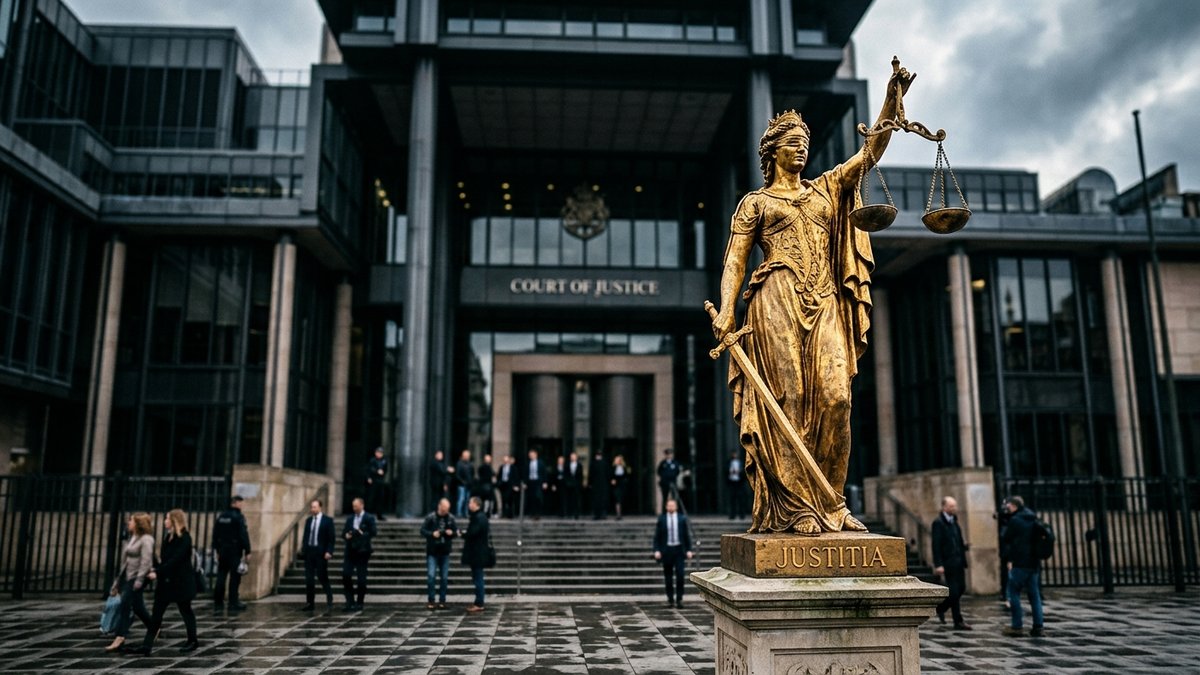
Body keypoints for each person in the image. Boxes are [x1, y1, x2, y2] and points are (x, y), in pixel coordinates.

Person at [709, 64, 917, 534]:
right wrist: (726, 309)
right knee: (790, 400)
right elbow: (734, 264)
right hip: (775, 297)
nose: (801, 147)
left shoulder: (825, 189)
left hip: (823, 299)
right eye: (792, 141)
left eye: (805, 141)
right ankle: (796, 507)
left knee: (836, 396)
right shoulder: (756, 203)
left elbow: (869, 154)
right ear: (772, 151)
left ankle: (833, 502)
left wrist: (892, 102)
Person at [127, 509, 198, 655]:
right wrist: (156, 568)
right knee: (156, 614)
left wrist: (158, 572)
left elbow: (175, 560)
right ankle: (147, 646)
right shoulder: (168, 537)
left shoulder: (185, 538)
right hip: (166, 583)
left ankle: (193, 640)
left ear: (174, 521)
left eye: (167, 519)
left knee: (186, 612)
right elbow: (165, 560)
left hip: (181, 583)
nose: (164, 521)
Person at [105, 512, 154, 652]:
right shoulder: (133, 538)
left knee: (124, 605)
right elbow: (125, 562)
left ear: (138, 523)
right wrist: (117, 582)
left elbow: (146, 561)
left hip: (137, 577)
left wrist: (139, 580)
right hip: (128, 576)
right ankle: (154, 627)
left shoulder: (146, 539)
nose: (128, 523)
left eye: (131, 521)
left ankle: (119, 637)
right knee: (138, 607)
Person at [1001, 496, 1046, 638]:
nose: (1007, 509)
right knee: (1034, 595)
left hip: (1020, 562)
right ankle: (1038, 627)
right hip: (1034, 563)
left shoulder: (1015, 520)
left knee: (1013, 592)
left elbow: (1006, 538)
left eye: (1009, 506)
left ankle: (1017, 626)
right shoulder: (1033, 518)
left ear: (1014, 506)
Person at [931, 496, 971, 630]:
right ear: (944, 507)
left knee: (961, 589)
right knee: (953, 592)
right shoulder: (938, 523)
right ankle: (957, 620)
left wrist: (964, 548)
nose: (954, 508)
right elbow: (936, 545)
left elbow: (958, 541)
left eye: (955, 506)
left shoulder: (955, 522)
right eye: (951, 506)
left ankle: (942, 609)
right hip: (948, 563)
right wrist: (938, 564)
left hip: (959, 562)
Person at [211, 495, 251, 611]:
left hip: (222, 550)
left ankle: (218, 601)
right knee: (235, 577)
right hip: (234, 551)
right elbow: (243, 534)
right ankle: (233, 602)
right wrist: (247, 550)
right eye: (240, 503)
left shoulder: (222, 516)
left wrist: (217, 549)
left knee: (221, 576)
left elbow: (215, 534)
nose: (242, 505)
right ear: (236, 503)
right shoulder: (238, 517)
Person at [653, 498, 694, 608]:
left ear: (676, 506)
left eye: (673, 505)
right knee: (668, 577)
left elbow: (686, 536)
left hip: (679, 550)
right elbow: (657, 536)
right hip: (666, 550)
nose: (671, 507)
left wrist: (689, 550)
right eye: (669, 505)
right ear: (666, 507)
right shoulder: (662, 519)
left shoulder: (681, 519)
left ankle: (679, 599)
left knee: (680, 575)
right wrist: (657, 550)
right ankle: (670, 599)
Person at [421, 498, 457, 609]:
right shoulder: (431, 517)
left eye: (448, 509)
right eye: (444, 509)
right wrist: (432, 534)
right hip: (432, 551)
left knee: (444, 578)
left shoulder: (450, 518)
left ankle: (442, 600)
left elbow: (456, 532)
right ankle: (431, 600)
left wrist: (451, 533)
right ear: (440, 506)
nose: (446, 511)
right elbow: (422, 530)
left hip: (445, 552)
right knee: (431, 576)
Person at [342, 497, 377, 611]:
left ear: (362, 505)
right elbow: (344, 533)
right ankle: (350, 601)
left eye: (356, 506)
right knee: (346, 575)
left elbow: (373, 532)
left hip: (362, 551)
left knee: (361, 579)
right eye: (353, 506)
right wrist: (347, 535)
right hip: (350, 551)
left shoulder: (369, 517)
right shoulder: (350, 518)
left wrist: (362, 533)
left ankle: (359, 602)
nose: (354, 508)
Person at [300, 498, 335, 611]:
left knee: (322, 577)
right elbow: (306, 536)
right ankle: (310, 603)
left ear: (320, 507)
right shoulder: (309, 520)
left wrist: (329, 551)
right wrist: (304, 549)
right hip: (310, 552)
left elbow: (331, 538)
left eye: (314, 507)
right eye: (311, 507)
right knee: (309, 579)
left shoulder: (327, 521)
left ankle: (329, 599)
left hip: (321, 553)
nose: (312, 509)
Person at [460, 496, 491, 613]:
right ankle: (478, 601)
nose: (469, 504)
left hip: (477, 553)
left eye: (471, 503)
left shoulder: (478, 517)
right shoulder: (480, 517)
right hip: (478, 552)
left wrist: (462, 533)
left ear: (476, 505)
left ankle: (479, 603)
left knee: (478, 578)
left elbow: (473, 533)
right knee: (478, 577)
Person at [365, 447, 388, 520]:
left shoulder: (384, 461)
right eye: (378, 452)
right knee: (371, 498)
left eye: (380, 453)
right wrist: (374, 473)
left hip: (380, 481)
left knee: (380, 499)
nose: (379, 454)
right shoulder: (372, 460)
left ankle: (379, 515)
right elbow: (369, 469)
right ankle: (368, 514)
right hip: (373, 480)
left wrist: (382, 472)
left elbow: (385, 470)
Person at [524, 449, 547, 519]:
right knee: (531, 498)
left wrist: (545, 482)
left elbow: (544, 472)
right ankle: (532, 513)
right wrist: (525, 483)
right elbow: (525, 473)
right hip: (531, 482)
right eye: (530, 455)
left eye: (532, 454)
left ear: (536, 455)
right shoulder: (528, 463)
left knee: (538, 497)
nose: (531, 456)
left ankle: (538, 513)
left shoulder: (541, 463)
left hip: (538, 482)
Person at [559, 452, 582, 519]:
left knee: (576, 500)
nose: (572, 458)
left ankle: (576, 514)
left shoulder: (579, 465)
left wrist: (579, 484)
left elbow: (580, 476)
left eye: (574, 456)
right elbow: (565, 475)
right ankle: (569, 513)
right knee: (569, 500)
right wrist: (567, 483)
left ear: (576, 457)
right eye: (571, 456)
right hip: (568, 485)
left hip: (576, 485)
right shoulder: (567, 465)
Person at [589, 449, 609, 520]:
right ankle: (603, 514)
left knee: (596, 500)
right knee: (603, 499)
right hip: (603, 484)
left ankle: (597, 515)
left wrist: (590, 484)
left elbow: (591, 475)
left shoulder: (593, 463)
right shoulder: (605, 463)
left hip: (596, 485)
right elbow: (608, 474)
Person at [454, 449, 474, 517]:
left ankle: (466, 513)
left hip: (468, 485)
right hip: (461, 485)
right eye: (466, 455)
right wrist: (462, 481)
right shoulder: (459, 463)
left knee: (467, 500)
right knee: (461, 499)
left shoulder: (470, 464)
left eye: (468, 455)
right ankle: (459, 513)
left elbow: (472, 474)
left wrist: (470, 482)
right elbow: (457, 475)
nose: (467, 457)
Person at [727, 451, 746, 520]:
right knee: (732, 500)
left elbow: (744, 472)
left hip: (739, 483)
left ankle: (742, 515)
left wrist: (739, 472)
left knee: (740, 499)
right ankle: (732, 515)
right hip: (732, 482)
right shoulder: (729, 462)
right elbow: (726, 471)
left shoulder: (740, 462)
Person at [610, 455, 630, 520]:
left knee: (621, 499)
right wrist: (612, 480)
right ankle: (618, 514)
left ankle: (621, 513)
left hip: (622, 485)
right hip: (616, 486)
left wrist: (625, 481)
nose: (617, 461)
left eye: (619, 460)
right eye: (616, 460)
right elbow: (610, 475)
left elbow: (627, 476)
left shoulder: (624, 468)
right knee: (617, 499)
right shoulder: (613, 468)